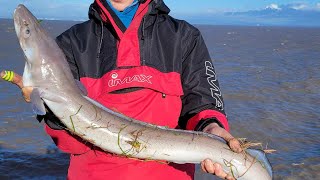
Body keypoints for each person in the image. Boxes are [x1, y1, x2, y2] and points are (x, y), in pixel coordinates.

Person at [3, 0, 242, 179]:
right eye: (26, 32)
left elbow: (203, 105)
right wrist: (46, 103)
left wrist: (212, 128)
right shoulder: (71, 43)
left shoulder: (184, 38)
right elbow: (70, 144)